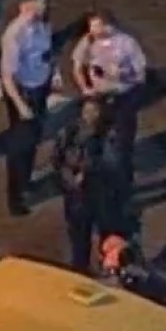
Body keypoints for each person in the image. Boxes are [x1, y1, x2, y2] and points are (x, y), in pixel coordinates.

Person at [71, 9, 148, 181]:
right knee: (93, 135)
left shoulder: (127, 43)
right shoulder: (88, 41)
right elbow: (77, 65)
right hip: (99, 97)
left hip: (123, 95)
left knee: (123, 139)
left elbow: (140, 73)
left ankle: (124, 176)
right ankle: (92, 172)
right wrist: (85, 88)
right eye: (91, 27)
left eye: (96, 27)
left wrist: (121, 75)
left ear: (109, 26)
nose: (93, 31)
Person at [0, 0, 54, 214]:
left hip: (40, 86)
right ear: (27, 6)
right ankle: (15, 197)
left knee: (32, 139)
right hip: (25, 92)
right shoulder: (14, 35)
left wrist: (53, 75)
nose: (44, 7)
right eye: (40, 4)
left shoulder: (41, 24)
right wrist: (21, 105)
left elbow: (46, 53)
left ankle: (25, 180)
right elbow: (7, 77)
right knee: (21, 145)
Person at [54, 99, 121, 271]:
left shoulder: (108, 134)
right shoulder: (69, 132)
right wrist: (70, 178)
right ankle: (80, 268)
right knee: (78, 237)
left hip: (100, 192)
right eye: (87, 111)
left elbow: (113, 162)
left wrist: (89, 168)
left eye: (95, 111)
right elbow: (56, 160)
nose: (90, 115)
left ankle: (106, 265)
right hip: (75, 196)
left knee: (105, 232)